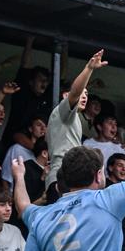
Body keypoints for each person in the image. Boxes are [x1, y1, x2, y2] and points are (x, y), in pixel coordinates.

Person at [46, 50, 107, 192]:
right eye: (82, 93)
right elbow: (75, 92)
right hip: (62, 177)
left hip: (69, 176)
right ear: (66, 95)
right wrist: (89, 68)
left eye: (87, 94)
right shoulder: (63, 111)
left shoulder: (73, 118)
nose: (85, 97)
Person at [83, 111, 124, 175]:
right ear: (100, 127)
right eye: (110, 123)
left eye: (115, 124)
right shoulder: (88, 144)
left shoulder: (120, 147)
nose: (114, 127)